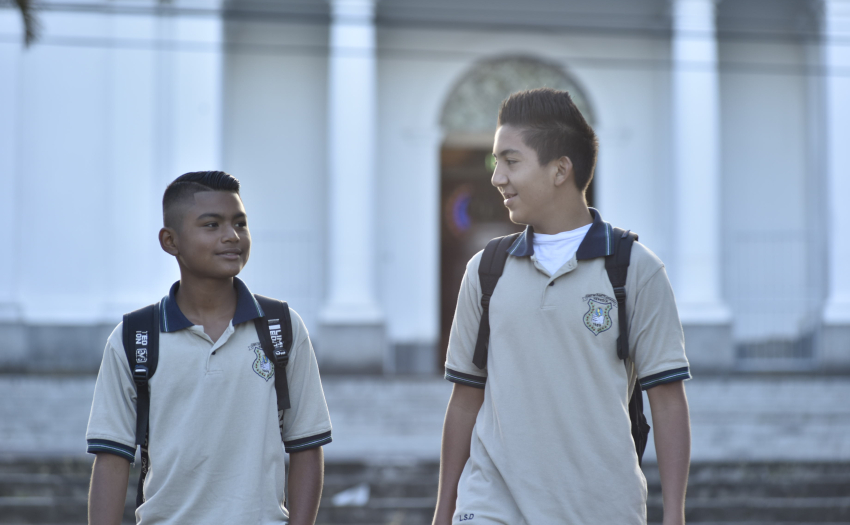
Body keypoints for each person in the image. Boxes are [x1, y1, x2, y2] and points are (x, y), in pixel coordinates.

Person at [432, 89, 691, 525]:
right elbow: (464, 399)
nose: (497, 177)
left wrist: (675, 516)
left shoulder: (635, 270)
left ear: (559, 170)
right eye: (497, 162)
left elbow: (666, 400)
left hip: (602, 510)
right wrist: (444, 512)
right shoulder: (485, 271)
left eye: (511, 161)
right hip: (490, 507)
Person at [86, 171, 332, 525]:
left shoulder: (281, 327)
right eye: (212, 225)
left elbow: (306, 444)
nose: (232, 236)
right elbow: (112, 457)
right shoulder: (135, 337)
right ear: (170, 241)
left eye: (240, 223)